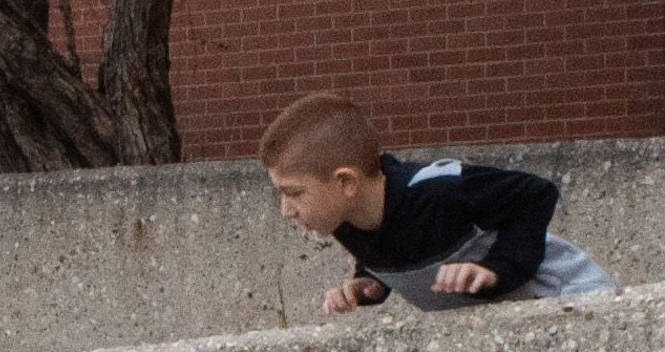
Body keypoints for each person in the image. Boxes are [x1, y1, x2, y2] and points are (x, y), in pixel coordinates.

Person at [258, 93, 614, 315]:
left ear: (346, 182)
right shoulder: (348, 220)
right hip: (505, 323)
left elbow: (536, 193)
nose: (286, 210)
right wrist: (368, 285)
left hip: (572, 298)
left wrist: (494, 267)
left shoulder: (439, 192)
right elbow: (395, 244)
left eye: (294, 193)